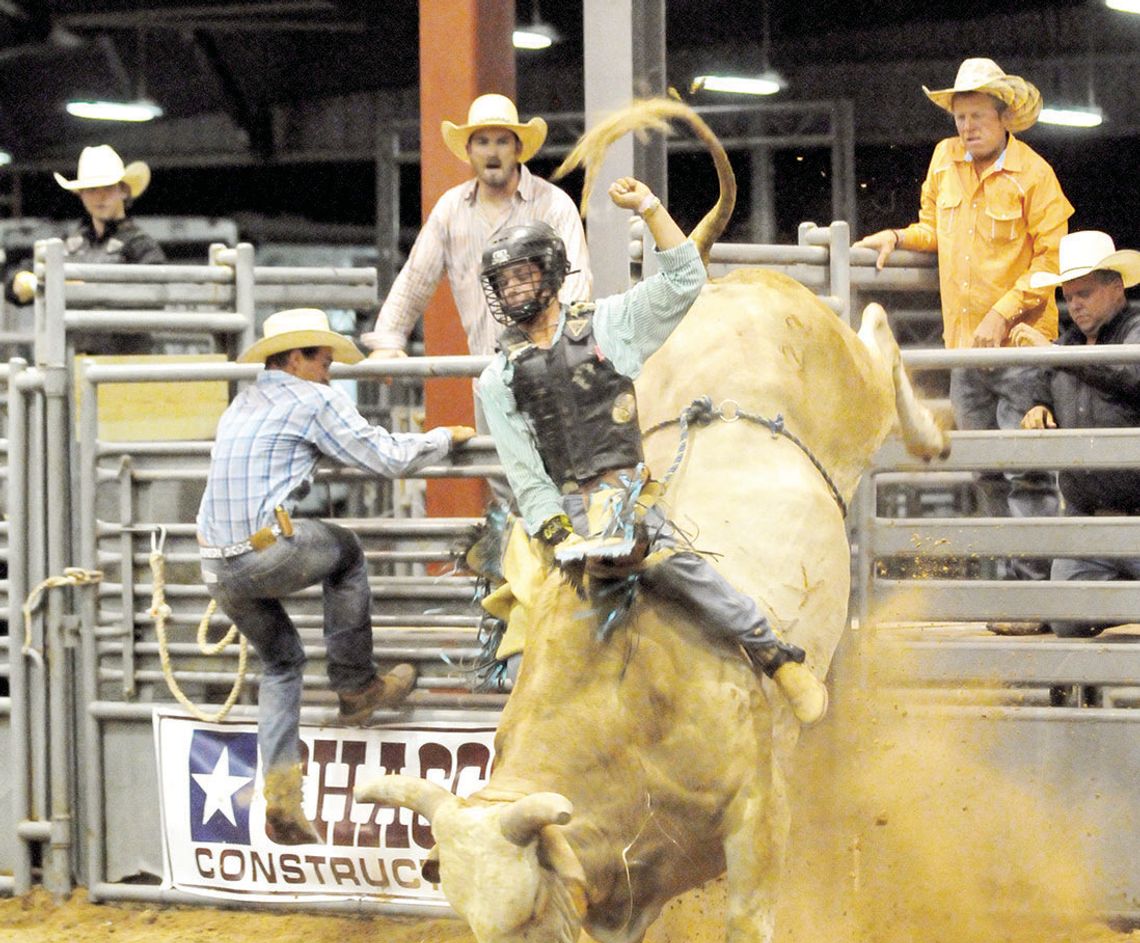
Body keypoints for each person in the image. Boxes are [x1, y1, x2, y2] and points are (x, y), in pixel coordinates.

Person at [476, 177, 828, 726]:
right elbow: (525, 474)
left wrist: (650, 208)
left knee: (675, 567)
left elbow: (685, 279)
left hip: (623, 494)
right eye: (505, 281)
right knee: (526, 634)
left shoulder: (607, 325)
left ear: (549, 274)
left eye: (523, 275)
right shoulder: (496, 379)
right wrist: (560, 536)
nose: (515, 289)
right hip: (559, 515)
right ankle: (532, 738)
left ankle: (773, 654)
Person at [196, 308, 475, 845]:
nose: (330, 372)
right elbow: (385, 458)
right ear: (297, 358)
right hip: (262, 553)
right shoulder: (312, 399)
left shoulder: (243, 402)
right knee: (344, 552)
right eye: (323, 361)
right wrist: (443, 439)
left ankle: (281, 799)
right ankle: (355, 686)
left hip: (215, 565)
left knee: (281, 663)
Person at [853, 58, 1073, 632]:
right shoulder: (944, 162)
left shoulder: (1035, 175)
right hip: (962, 350)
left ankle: (1032, 603)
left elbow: (1055, 260)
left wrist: (1005, 309)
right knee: (984, 472)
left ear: (1005, 118)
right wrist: (900, 236)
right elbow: (934, 228)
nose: (966, 127)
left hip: (1022, 347)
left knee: (1024, 471)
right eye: (959, 116)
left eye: (976, 116)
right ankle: (1009, 595)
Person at [361, 94, 591, 506]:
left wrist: (561, 345)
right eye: (482, 142)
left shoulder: (552, 205)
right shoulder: (452, 210)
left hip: (549, 366)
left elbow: (575, 281)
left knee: (562, 478)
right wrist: (389, 341)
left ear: (518, 148)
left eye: (501, 141)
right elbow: (417, 277)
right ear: (468, 151)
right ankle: (526, 566)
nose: (491, 151)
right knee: (506, 484)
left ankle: (560, 562)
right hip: (489, 375)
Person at [1012, 231, 1140, 638]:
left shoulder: (1134, 332)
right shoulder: (1066, 348)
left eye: (1084, 292)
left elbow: (1130, 374)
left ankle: (1113, 601)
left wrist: (1055, 354)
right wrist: (1038, 406)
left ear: (1115, 287)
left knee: (1067, 614)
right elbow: (1043, 385)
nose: (1075, 304)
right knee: (1066, 619)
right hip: (1088, 525)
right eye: (1068, 295)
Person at [5, 144, 166, 355]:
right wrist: (23, 280)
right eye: (91, 190)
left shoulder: (140, 245)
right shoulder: (71, 244)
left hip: (124, 364)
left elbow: (156, 298)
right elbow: (16, 285)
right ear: (81, 195)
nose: (100, 197)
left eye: (107, 188)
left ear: (122, 191)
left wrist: (85, 292)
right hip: (75, 362)